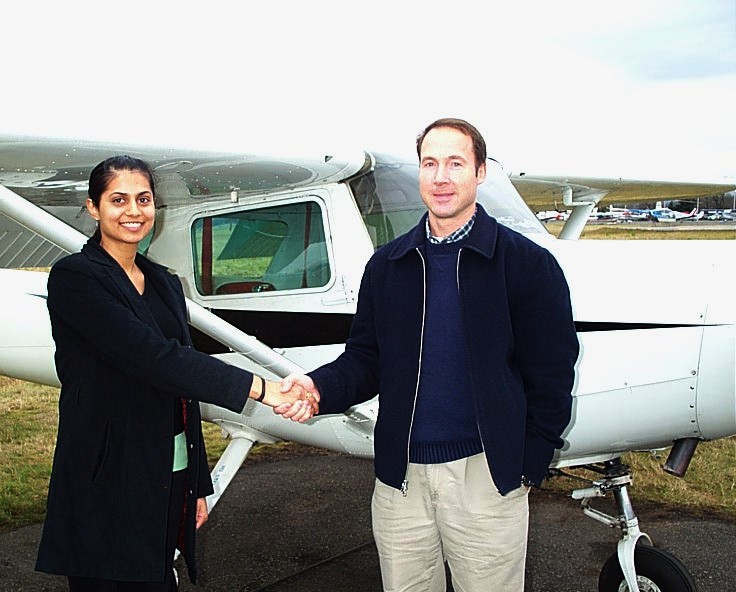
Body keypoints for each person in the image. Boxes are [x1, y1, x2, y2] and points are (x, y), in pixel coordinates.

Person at [279, 118, 579, 592]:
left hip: (487, 476)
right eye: (430, 163)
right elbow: (366, 360)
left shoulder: (526, 264)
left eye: (455, 163)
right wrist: (318, 388)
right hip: (401, 481)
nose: (441, 177)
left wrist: (527, 464)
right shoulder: (388, 265)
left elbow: (552, 374)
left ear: (480, 171)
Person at [35, 155, 314, 591]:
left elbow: (183, 390)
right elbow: (155, 358)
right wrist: (262, 389)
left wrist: (196, 484)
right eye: (118, 200)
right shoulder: (75, 279)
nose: (133, 211)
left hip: (168, 471)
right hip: (107, 473)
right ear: (93, 207)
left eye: (143, 199)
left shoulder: (163, 282)